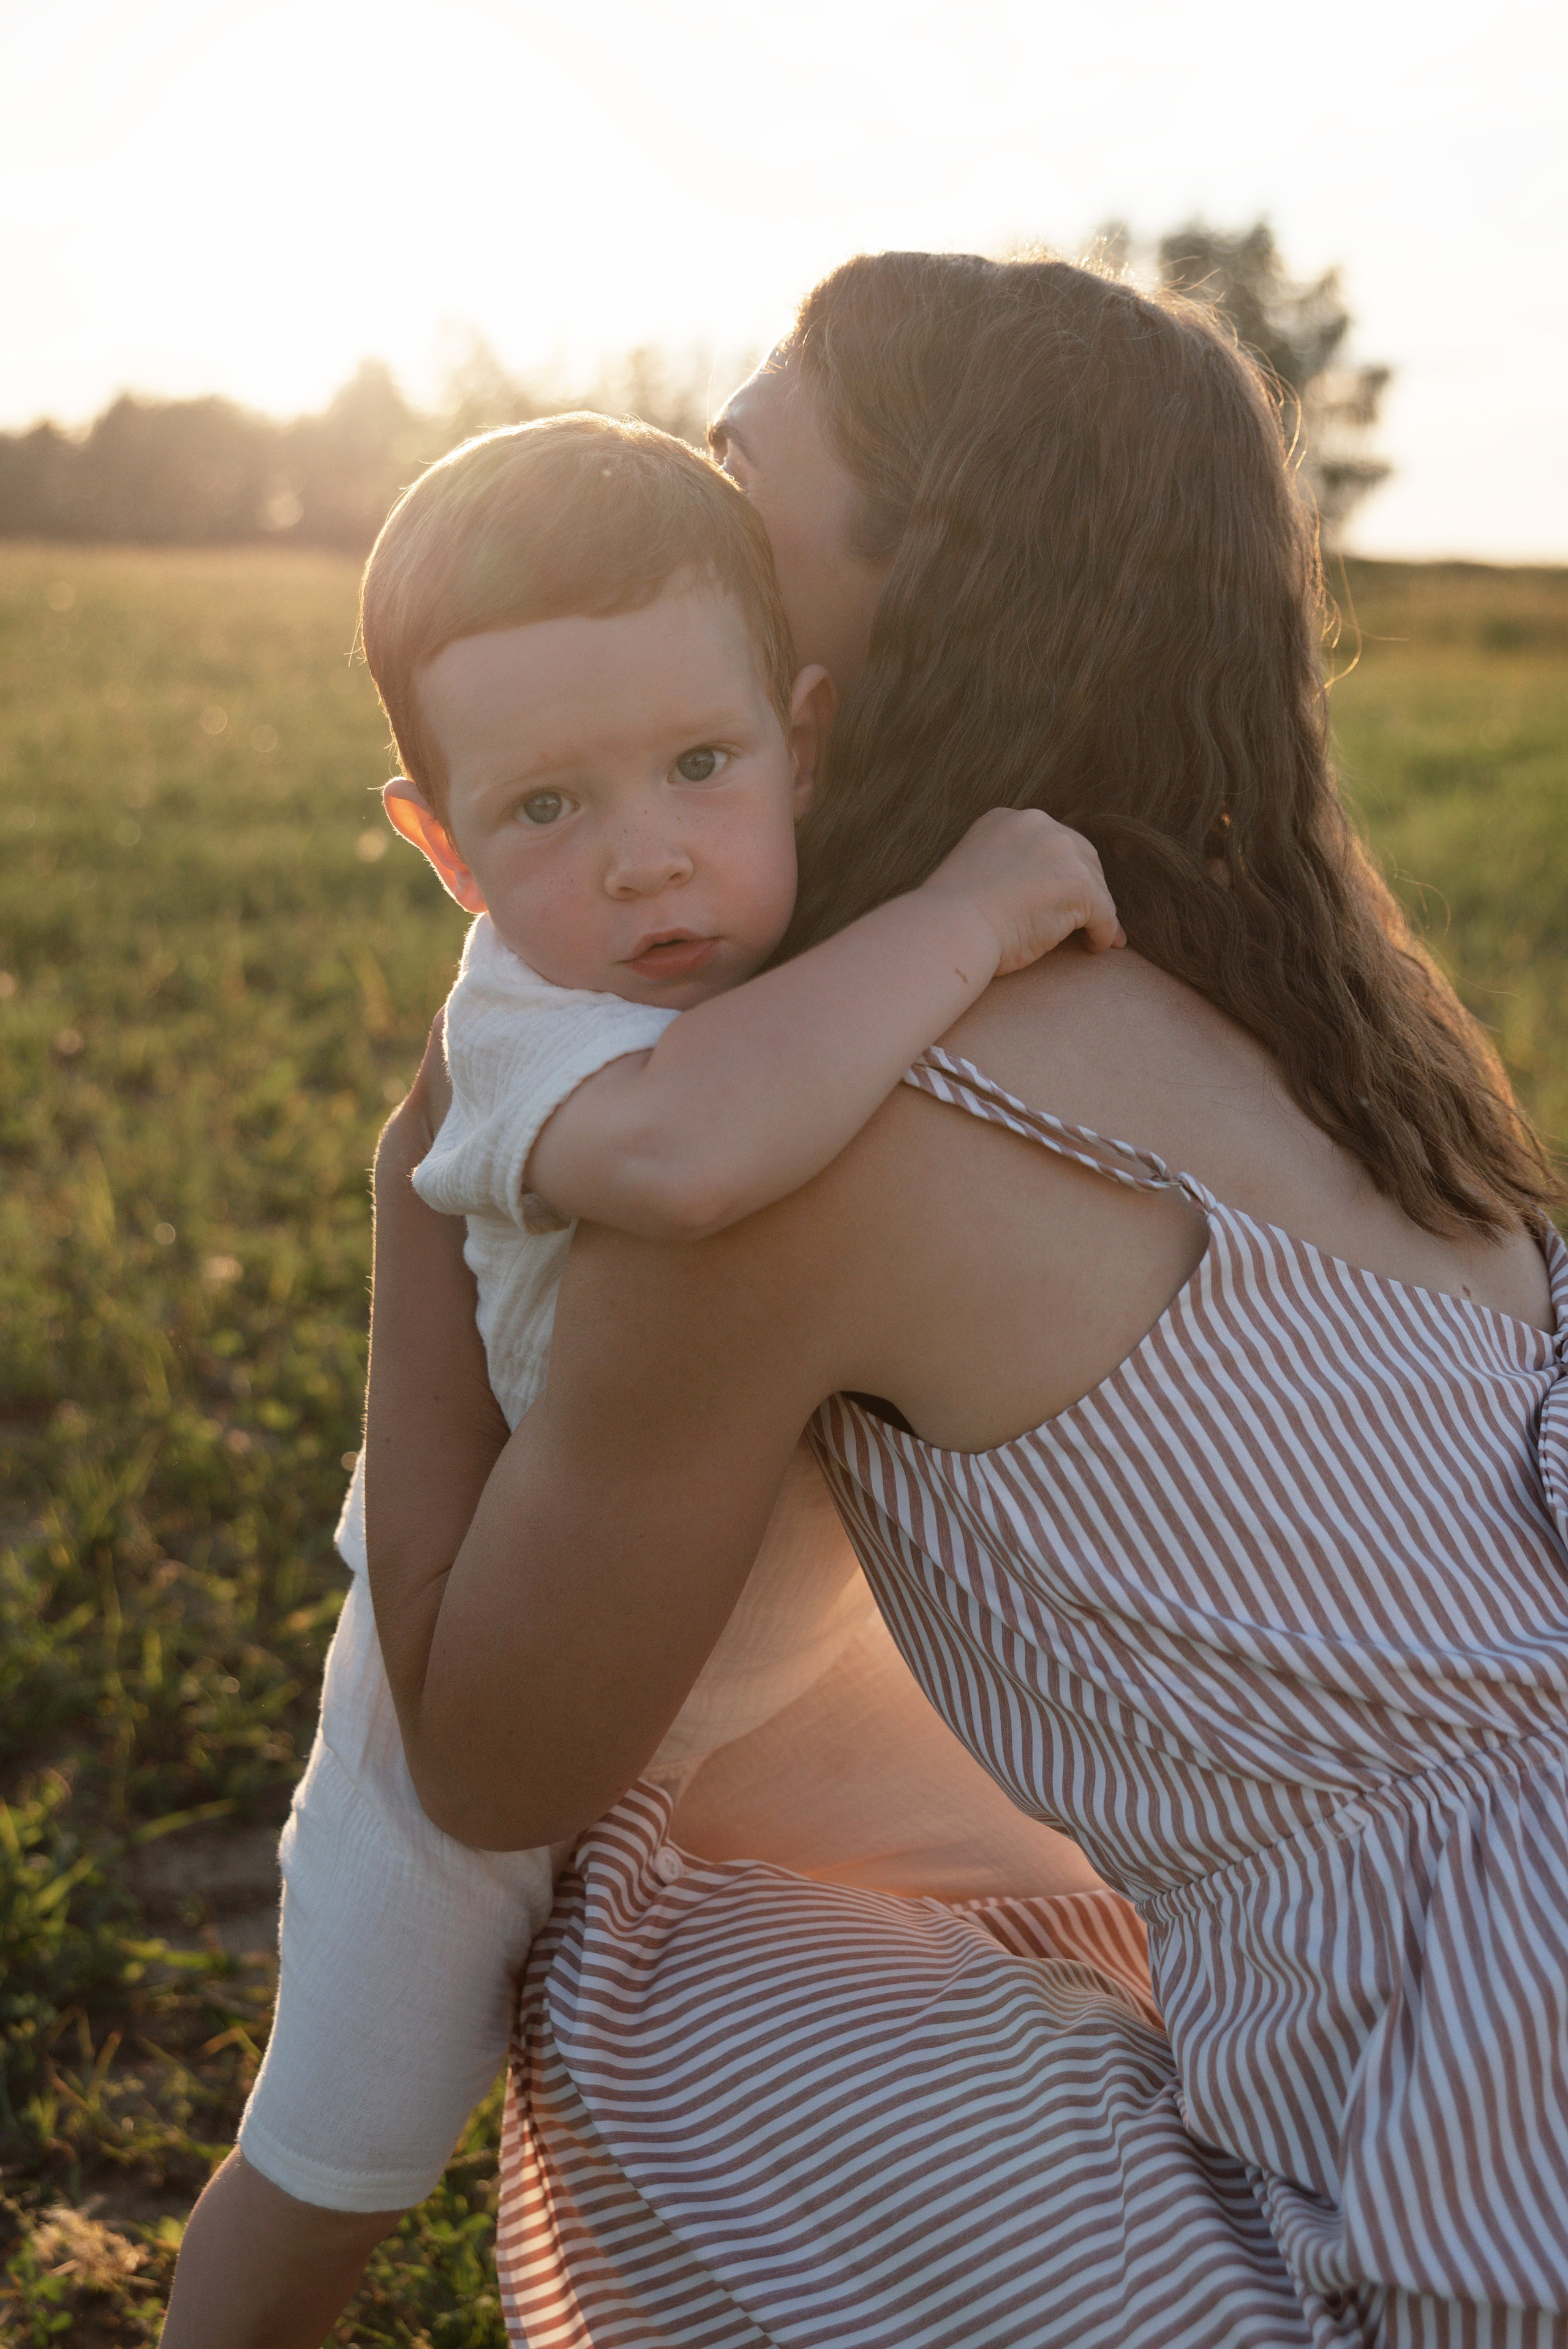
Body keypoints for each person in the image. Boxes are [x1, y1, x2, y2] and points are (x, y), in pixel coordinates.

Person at [368, 251, 1568, 2346]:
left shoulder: (803, 1150)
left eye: (735, 496)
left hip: (1492, 2181)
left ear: (889, 607)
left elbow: (491, 1755)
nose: (684, 537)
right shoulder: (1366, 1049)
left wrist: (426, 1168)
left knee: (661, 1959)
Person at [160, 410, 1135, 2348]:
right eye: (546, 810)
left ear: (807, 737)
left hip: (761, 1681)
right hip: (467, 1718)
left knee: (1084, 1897)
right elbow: (693, 1160)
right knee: (339, 2153)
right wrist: (972, 912)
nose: (650, 855)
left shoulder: (790, 950)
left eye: (701, 765)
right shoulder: (528, 1027)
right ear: (438, 845)